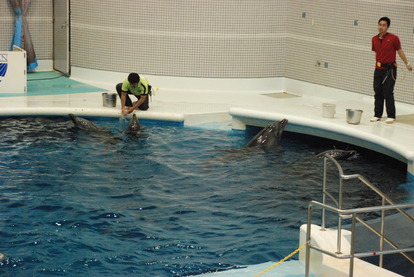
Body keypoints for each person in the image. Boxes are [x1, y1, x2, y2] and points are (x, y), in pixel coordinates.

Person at [371, 17, 413, 124]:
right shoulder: (374, 39)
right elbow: (377, 52)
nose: (381, 27)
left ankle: (391, 115)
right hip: (378, 69)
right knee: (377, 91)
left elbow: (399, 51)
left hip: (390, 69)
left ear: (388, 27)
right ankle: (377, 114)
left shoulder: (394, 38)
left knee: (388, 92)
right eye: (379, 24)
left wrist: (407, 63)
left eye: (384, 25)